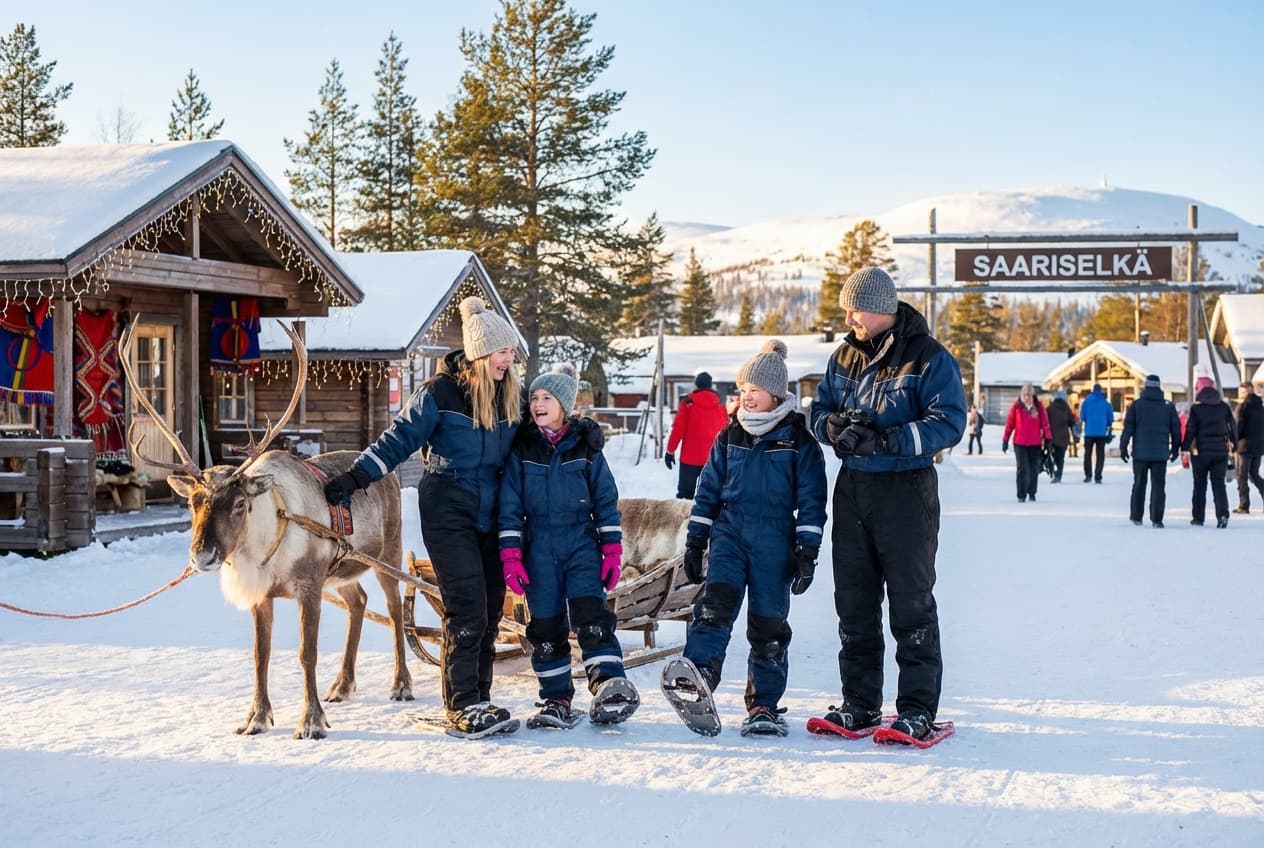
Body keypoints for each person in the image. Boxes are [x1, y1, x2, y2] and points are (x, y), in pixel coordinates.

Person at [322, 296, 527, 736]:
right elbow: (397, 441)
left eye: (511, 351)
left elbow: (543, 438)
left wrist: (578, 437)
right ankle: (462, 703)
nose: (509, 359)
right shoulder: (439, 394)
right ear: (479, 353)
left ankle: (481, 697)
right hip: (448, 505)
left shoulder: (513, 395)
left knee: (491, 607)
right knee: (466, 606)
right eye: (501, 351)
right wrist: (356, 477)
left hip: (495, 511)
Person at [809, 267, 966, 743]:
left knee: (910, 602)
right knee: (853, 601)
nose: (848, 319)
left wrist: (885, 440)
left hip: (906, 490)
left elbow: (949, 422)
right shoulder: (843, 357)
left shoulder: (928, 357)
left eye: (854, 309)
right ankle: (859, 703)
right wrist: (832, 428)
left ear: (881, 307)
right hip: (853, 489)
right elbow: (818, 411)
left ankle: (917, 708)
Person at [666, 339, 827, 736]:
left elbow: (812, 499)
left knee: (769, 624)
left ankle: (764, 705)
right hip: (730, 534)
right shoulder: (729, 436)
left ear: (776, 394)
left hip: (775, 539)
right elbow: (707, 491)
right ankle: (699, 675)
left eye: (754, 390)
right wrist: (696, 540)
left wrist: (807, 551)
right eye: (742, 389)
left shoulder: (798, 440)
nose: (746, 397)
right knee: (714, 607)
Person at [498, 363, 638, 728]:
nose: (538, 404)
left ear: (564, 405)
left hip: (581, 548)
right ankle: (556, 698)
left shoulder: (586, 448)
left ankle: (609, 685)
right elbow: (510, 507)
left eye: (547, 397)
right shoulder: (522, 449)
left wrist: (611, 552)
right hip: (539, 551)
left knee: (592, 618)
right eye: (534, 398)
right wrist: (511, 556)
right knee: (545, 627)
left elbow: (605, 502)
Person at [1118, 374, 1182, 528]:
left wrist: (1123, 447)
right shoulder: (1168, 406)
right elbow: (1176, 430)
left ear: (1145, 386)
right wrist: (1175, 448)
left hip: (1140, 453)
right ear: (1159, 387)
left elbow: (1128, 428)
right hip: (1160, 454)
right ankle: (1157, 519)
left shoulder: (1136, 405)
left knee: (1139, 484)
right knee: (1158, 486)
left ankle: (1136, 516)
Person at [1181, 376, 1238, 528]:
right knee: (1219, 484)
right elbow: (1232, 426)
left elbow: (1191, 429)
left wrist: (1185, 447)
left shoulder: (1196, 409)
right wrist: (1235, 443)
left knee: (1199, 484)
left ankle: (1198, 517)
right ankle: (1222, 515)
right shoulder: (1223, 407)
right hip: (1220, 451)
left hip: (1200, 453)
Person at [664, 371, 729, 499]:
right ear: (710, 385)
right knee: (711, 497)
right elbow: (726, 432)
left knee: (684, 497)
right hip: (713, 459)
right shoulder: (720, 404)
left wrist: (670, 451)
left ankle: (685, 512)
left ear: (696, 385)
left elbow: (678, 429)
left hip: (690, 458)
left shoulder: (688, 403)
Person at [1001, 384, 1051, 502]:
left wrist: (1048, 439)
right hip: (1020, 443)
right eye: (1025, 395)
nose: (1027, 397)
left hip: (1035, 443)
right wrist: (1005, 439)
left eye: (1029, 395)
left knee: (1033, 469)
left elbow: (1045, 424)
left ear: (1033, 395)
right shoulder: (1017, 407)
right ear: (1022, 395)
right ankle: (1021, 494)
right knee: (1022, 468)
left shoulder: (1038, 407)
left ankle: (1032, 492)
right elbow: (1010, 424)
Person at [1232, 381, 1264, 514]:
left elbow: (1238, 427)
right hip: (1259, 446)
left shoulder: (1243, 407)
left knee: (1242, 476)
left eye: (1242, 391)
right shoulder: (1260, 406)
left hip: (1244, 446)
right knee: (1254, 474)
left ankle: (1244, 505)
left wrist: (1233, 443)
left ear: (1246, 392)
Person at [1079, 383, 1115, 483]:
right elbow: (1110, 418)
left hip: (1089, 432)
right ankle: (1098, 476)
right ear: (1101, 390)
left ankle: (1088, 475)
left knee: (1087, 454)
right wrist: (1107, 425)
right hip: (1101, 433)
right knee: (1100, 455)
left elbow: (1082, 416)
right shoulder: (1106, 403)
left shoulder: (1086, 402)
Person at [1045, 390, 1077, 483]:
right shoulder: (1066, 409)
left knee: (1052, 455)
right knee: (1061, 457)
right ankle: (1058, 475)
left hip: (1051, 437)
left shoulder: (1049, 408)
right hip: (1063, 437)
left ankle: (1053, 471)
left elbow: (1044, 422)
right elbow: (1072, 421)